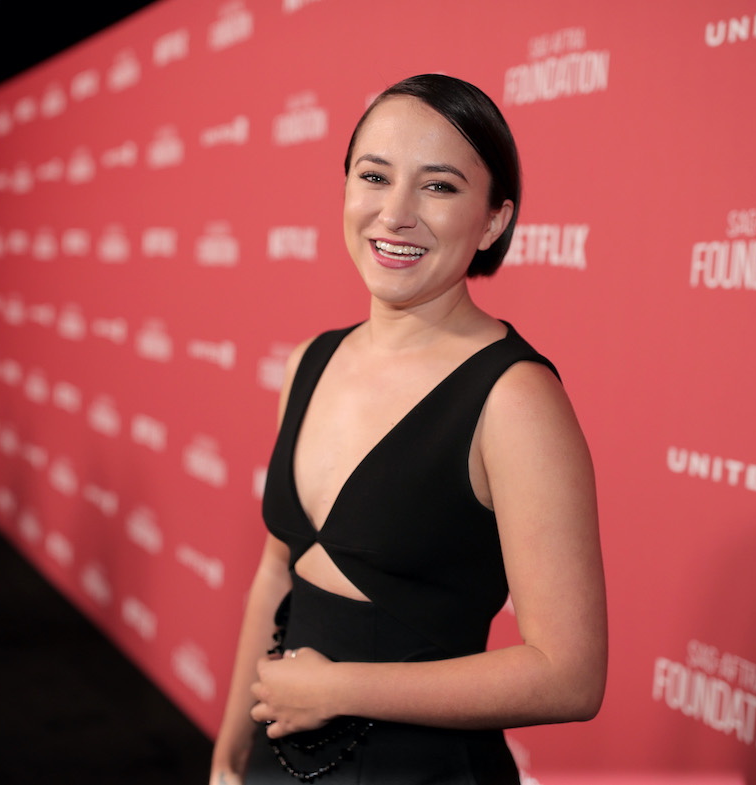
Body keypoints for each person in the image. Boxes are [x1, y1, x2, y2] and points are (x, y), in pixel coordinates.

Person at [210, 74, 606, 784]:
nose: (395, 213)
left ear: (492, 221)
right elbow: (278, 568)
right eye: (374, 176)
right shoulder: (311, 359)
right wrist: (228, 751)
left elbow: (569, 674)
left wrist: (340, 689)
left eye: (440, 187)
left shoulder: (515, 398)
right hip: (280, 757)